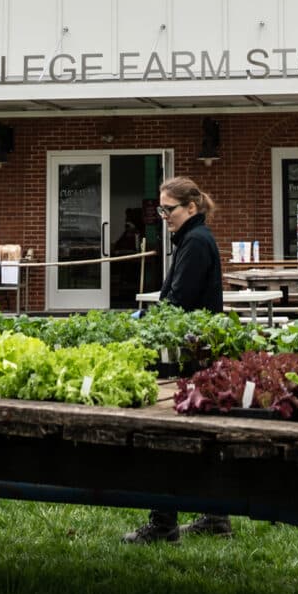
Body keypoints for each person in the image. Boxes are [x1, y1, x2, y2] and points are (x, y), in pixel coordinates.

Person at [126, 176, 230, 544]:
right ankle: (215, 517)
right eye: (161, 209)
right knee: (198, 438)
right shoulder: (192, 239)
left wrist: (147, 324)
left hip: (190, 354)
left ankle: (163, 523)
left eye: (168, 209)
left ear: (191, 207)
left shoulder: (196, 243)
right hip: (196, 351)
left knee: (168, 438)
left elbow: (180, 301)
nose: (163, 216)